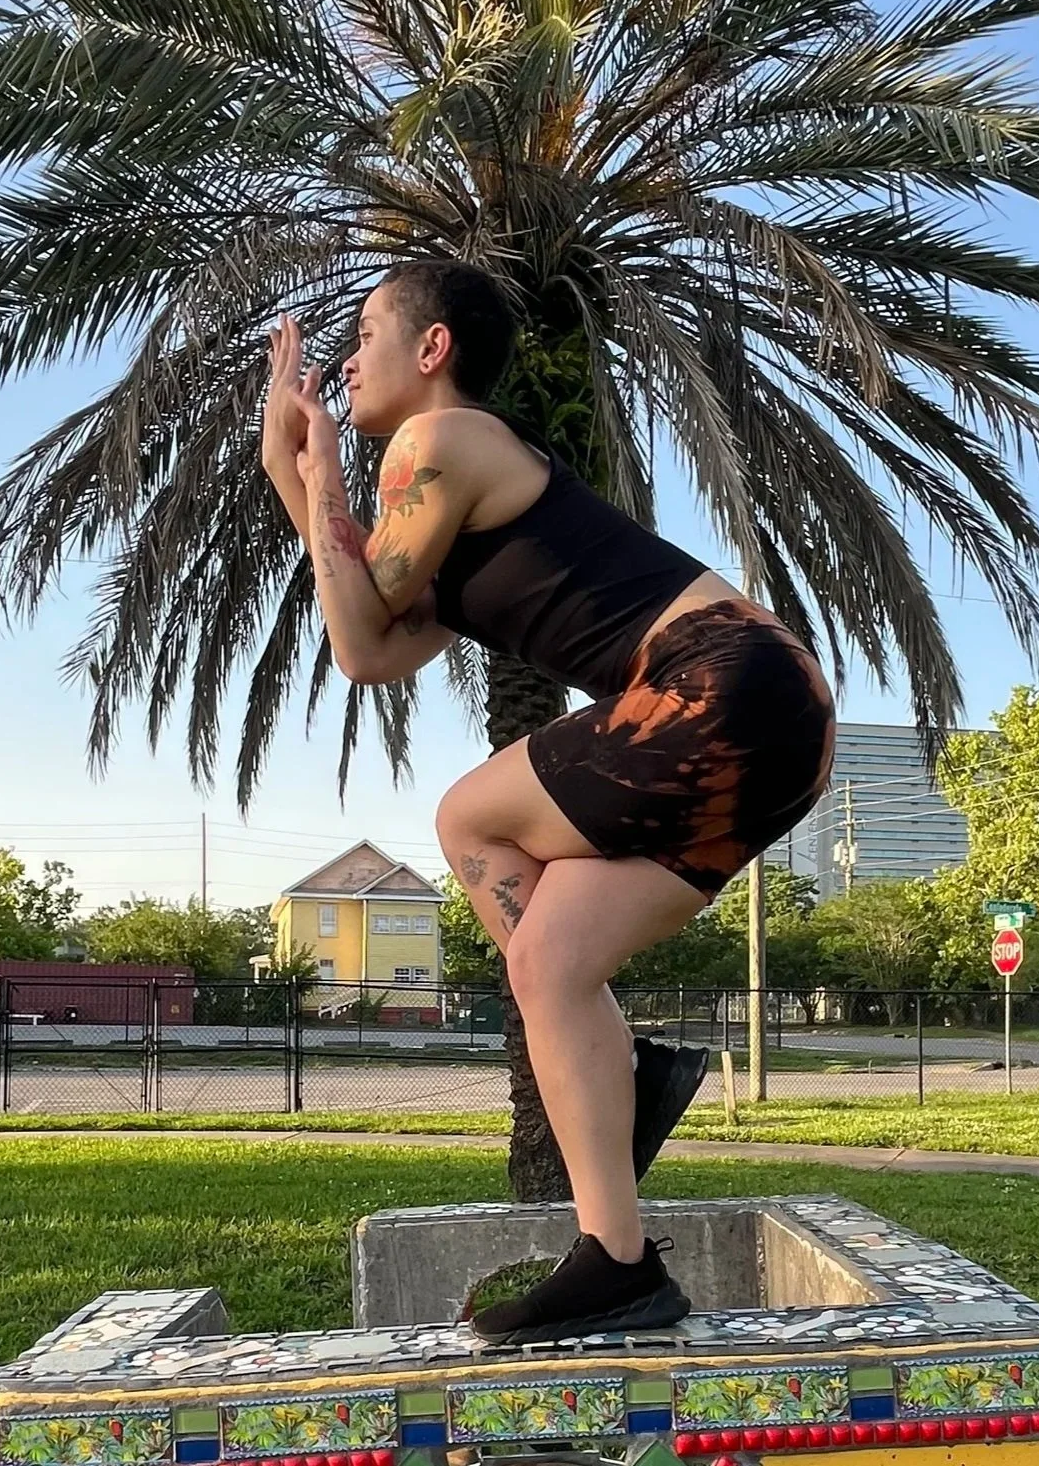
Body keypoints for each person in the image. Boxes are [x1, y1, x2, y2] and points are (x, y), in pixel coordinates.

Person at [261, 261, 836, 1344]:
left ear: (433, 351)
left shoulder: (439, 441)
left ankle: (623, 1076)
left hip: (720, 679)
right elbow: (368, 641)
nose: (344, 356)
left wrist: (321, 461)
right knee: (546, 964)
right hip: (773, 723)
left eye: (368, 330)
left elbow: (357, 602)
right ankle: (618, 1257)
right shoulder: (466, 500)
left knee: (466, 817)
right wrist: (296, 472)